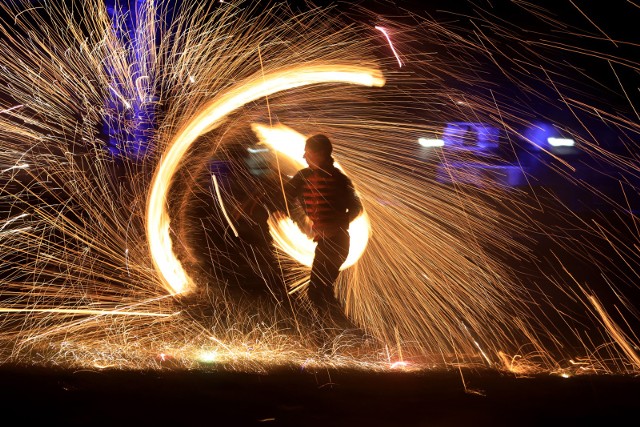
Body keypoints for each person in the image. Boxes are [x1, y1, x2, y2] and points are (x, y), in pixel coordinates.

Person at [282, 134, 363, 338]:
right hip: (325, 243)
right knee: (320, 291)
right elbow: (283, 196)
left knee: (318, 291)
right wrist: (299, 221)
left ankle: (344, 334)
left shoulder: (340, 180)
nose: (304, 156)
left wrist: (337, 224)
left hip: (337, 242)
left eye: (308, 152)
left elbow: (356, 207)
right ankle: (340, 335)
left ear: (320, 154)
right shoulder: (302, 177)